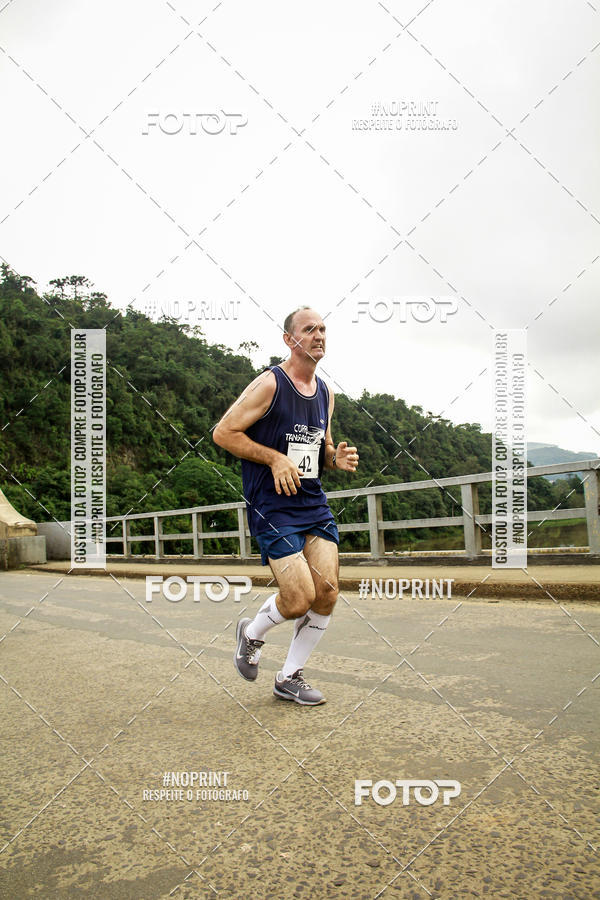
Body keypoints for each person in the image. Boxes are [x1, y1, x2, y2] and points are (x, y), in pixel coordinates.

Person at [212, 306, 359, 705]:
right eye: (309, 329)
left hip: (312, 501)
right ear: (289, 339)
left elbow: (320, 447)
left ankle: (289, 676)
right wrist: (274, 458)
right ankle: (251, 633)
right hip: (271, 506)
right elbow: (223, 433)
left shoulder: (326, 392)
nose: (319, 335)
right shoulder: (269, 384)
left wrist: (334, 458)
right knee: (297, 599)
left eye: (323, 329)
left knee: (326, 592)